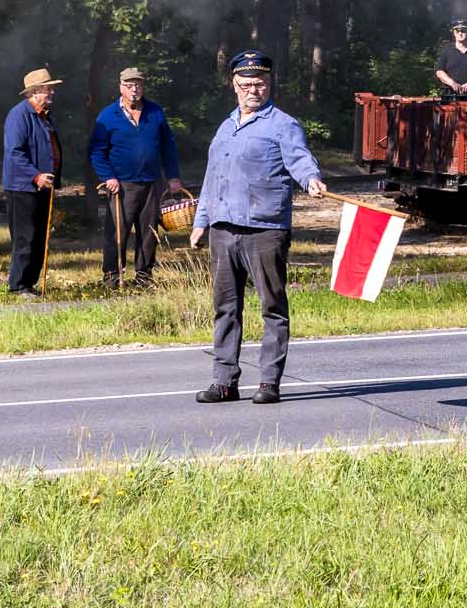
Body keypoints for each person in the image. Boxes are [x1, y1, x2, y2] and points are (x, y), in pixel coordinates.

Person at [184, 50, 328, 405]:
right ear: (234, 85)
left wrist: (311, 179)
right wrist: (201, 221)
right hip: (223, 229)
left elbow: (300, 159)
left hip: (265, 229)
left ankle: (268, 382)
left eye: (260, 83)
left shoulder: (283, 124)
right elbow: (212, 177)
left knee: (272, 306)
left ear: (269, 84)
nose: (254, 90)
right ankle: (223, 381)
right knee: (225, 308)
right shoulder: (225, 126)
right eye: (247, 84)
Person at [86, 66, 180, 287]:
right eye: (129, 85)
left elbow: (169, 146)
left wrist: (173, 176)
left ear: (143, 86)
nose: (134, 89)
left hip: (152, 182)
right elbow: (97, 150)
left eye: (138, 84)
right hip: (122, 184)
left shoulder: (155, 112)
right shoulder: (108, 115)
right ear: (121, 88)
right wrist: (108, 176)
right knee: (117, 232)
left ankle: (144, 277)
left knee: (148, 233)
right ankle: (112, 276)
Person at [0, 68, 61, 295]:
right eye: (48, 89)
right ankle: (17, 287)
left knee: (40, 237)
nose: (52, 92)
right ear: (34, 92)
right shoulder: (19, 115)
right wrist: (36, 175)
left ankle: (29, 284)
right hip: (22, 188)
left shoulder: (44, 116)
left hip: (43, 187)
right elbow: (14, 153)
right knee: (25, 238)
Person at [433, 19, 467, 103]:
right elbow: (439, 72)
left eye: (463, 31)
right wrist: (452, 83)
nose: (460, 33)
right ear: (453, 33)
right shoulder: (447, 49)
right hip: (449, 95)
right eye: (457, 31)